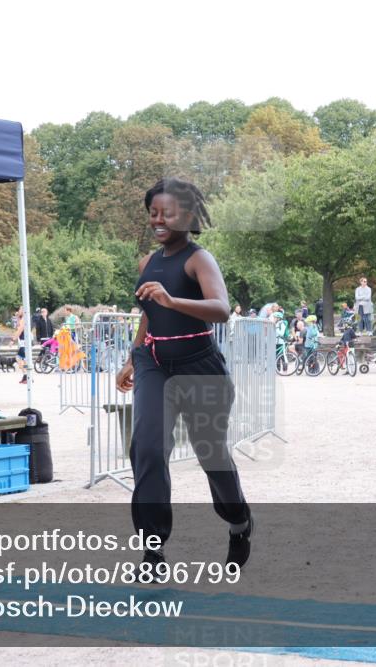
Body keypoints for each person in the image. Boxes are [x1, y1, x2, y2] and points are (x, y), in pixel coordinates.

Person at [114, 178, 251, 570]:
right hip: (154, 363)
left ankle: (239, 522)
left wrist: (173, 299)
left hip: (199, 366)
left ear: (187, 216)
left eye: (167, 213)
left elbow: (221, 309)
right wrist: (132, 357)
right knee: (148, 448)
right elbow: (149, 314)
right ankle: (153, 549)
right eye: (153, 213)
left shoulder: (199, 259)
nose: (158, 220)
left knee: (212, 454)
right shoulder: (148, 262)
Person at [14, 305, 29, 384]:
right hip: (22, 342)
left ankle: (27, 374)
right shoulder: (21, 318)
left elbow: (19, 330)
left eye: (20, 309)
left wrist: (13, 339)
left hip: (24, 342)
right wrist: (17, 318)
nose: (18, 311)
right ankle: (27, 375)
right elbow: (17, 326)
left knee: (19, 358)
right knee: (24, 360)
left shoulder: (24, 319)